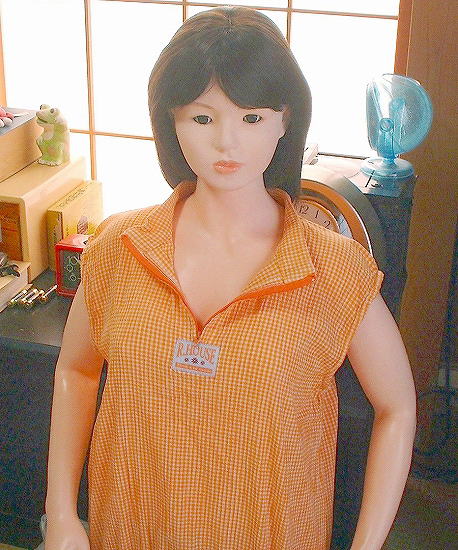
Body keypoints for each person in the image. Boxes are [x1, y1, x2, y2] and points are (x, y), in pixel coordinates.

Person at [44, 6, 417, 550]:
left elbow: (397, 407)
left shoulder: (334, 271)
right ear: (170, 122)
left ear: (286, 120)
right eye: (202, 118)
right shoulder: (118, 248)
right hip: (129, 529)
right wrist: (59, 513)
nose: (227, 143)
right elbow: (76, 371)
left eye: (252, 118)